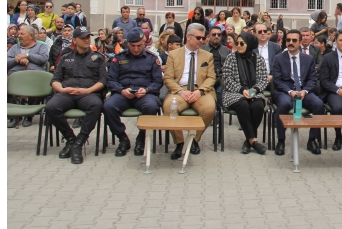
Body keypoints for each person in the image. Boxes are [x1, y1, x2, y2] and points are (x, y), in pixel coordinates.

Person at [45, 27, 107, 164]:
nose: (86, 40)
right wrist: (62, 90)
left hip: (88, 93)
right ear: (74, 40)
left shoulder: (98, 58)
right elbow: (55, 80)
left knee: (96, 105)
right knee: (51, 107)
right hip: (67, 93)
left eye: (88, 37)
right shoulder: (65, 57)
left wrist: (88, 90)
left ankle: (79, 142)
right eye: (83, 38)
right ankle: (71, 139)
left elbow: (103, 81)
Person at [103, 28, 163, 157]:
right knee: (108, 106)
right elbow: (111, 80)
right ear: (127, 43)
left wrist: (146, 90)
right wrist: (121, 90)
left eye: (139, 46)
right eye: (132, 46)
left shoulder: (152, 59)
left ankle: (141, 138)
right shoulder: (118, 58)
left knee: (151, 106)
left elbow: (158, 82)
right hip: (123, 93)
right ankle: (122, 138)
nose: (136, 49)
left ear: (144, 43)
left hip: (144, 93)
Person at [162, 23, 217, 159]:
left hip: (201, 91)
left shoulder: (207, 56)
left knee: (209, 109)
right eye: (198, 38)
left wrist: (200, 92)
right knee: (170, 108)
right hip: (180, 90)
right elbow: (168, 78)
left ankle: (193, 139)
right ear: (188, 37)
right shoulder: (174, 55)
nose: (201, 41)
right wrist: (181, 91)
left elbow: (211, 77)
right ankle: (180, 143)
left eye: (203, 38)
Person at [271, 29, 326, 156]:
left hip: (303, 91)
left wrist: (305, 91)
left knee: (319, 104)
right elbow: (277, 80)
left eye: (294, 40)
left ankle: (312, 140)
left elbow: (313, 79)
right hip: (285, 91)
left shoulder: (308, 59)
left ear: (300, 42)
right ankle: (281, 141)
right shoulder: (278, 58)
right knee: (284, 105)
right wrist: (290, 91)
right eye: (288, 40)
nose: (290, 43)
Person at [220, 32, 268, 155]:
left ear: (250, 44)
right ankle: (253, 141)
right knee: (243, 105)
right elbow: (227, 79)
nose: (239, 46)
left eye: (242, 43)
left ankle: (248, 141)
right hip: (234, 93)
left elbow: (263, 79)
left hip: (254, 92)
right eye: (237, 43)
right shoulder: (231, 58)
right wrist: (242, 90)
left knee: (258, 105)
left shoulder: (259, 59)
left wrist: (255, 90)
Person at [7, 24, 50, 127]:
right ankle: (13, 116)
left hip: (34, 77)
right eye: (18, 34)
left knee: (40, 84)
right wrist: (17, 59)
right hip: (15, 76)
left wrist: (28, 55)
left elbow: (43, 59)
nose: (19, 36)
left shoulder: (42, 46)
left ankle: (29, 115)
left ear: (31, 36)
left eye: (22, 34)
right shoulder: (14, 48)